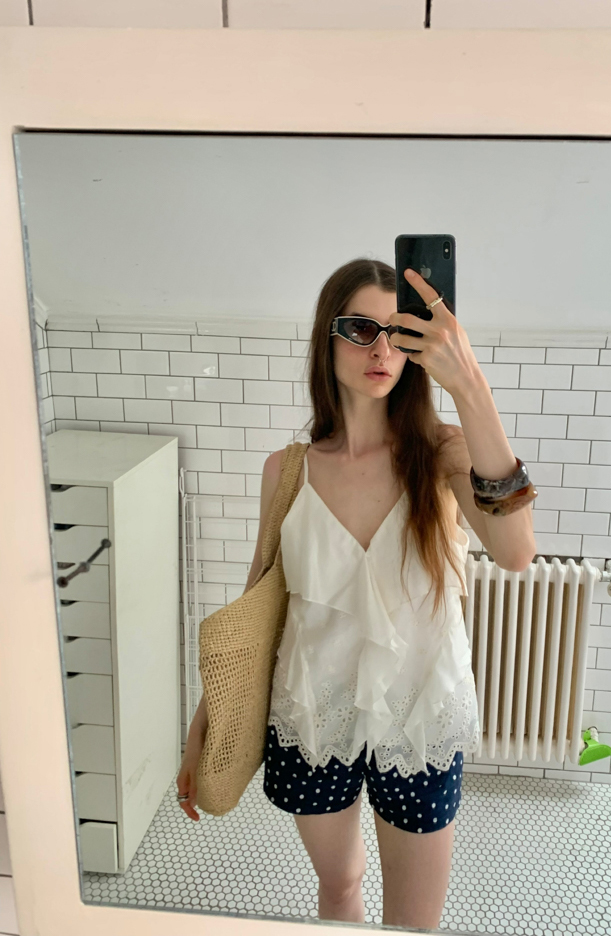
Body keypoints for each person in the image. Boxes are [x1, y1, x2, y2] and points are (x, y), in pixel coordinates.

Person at [177, 257, 537, 929]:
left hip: (419, 721)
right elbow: (256, 610)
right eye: (360, 328)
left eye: (397, 333)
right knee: (340, 886)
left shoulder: (445, 452)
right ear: (328, 337)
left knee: (412, 923)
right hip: (313, 718)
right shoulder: (287, 471)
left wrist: (468, 382)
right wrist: (206, 725)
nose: (380, 349)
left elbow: (516, 553)